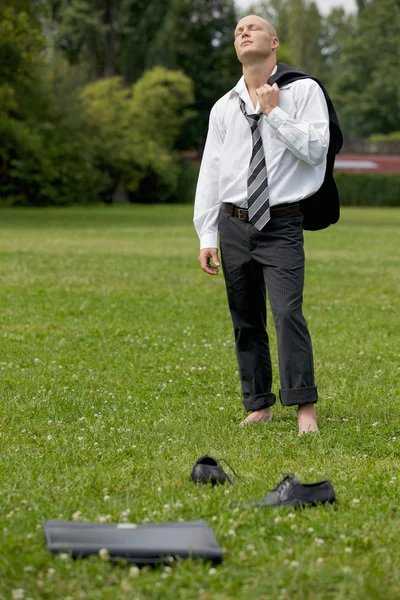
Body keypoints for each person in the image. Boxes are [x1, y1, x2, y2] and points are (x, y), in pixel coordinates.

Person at [194, 15, 331, 434]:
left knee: (288, 313)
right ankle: (258, 404)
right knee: (245, 317)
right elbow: (211, 174)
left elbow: (316, 149)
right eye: (238, 31)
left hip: (281, 222)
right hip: (233, 224)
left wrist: (273, 114)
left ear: (274, 41)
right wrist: (207, 234)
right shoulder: (224, 107)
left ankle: (303, 406)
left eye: (252, 27)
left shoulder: (303, 91)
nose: (243, 32)